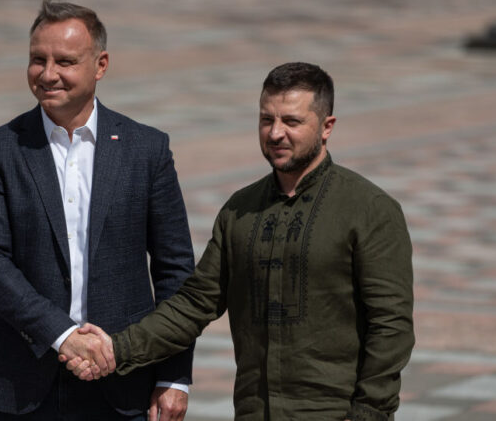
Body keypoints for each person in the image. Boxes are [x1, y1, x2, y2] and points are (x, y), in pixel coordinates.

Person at [67, 62, 414, 420]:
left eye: (291, 122)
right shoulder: (241, 210)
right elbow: (193, 303)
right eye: (266, 120)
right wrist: (116, 348)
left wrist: (369, 414)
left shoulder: (369, 209)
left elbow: (391, 329)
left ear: (327, 127)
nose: (276, 133)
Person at [0, 0, 195, 420]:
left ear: (100, 65)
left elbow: (175, 270)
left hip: (123, 381)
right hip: (18, 383)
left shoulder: (147, 149)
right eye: (37, 60)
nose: (48, 74)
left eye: (65, 61)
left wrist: (173, 377)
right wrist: (63, 335)